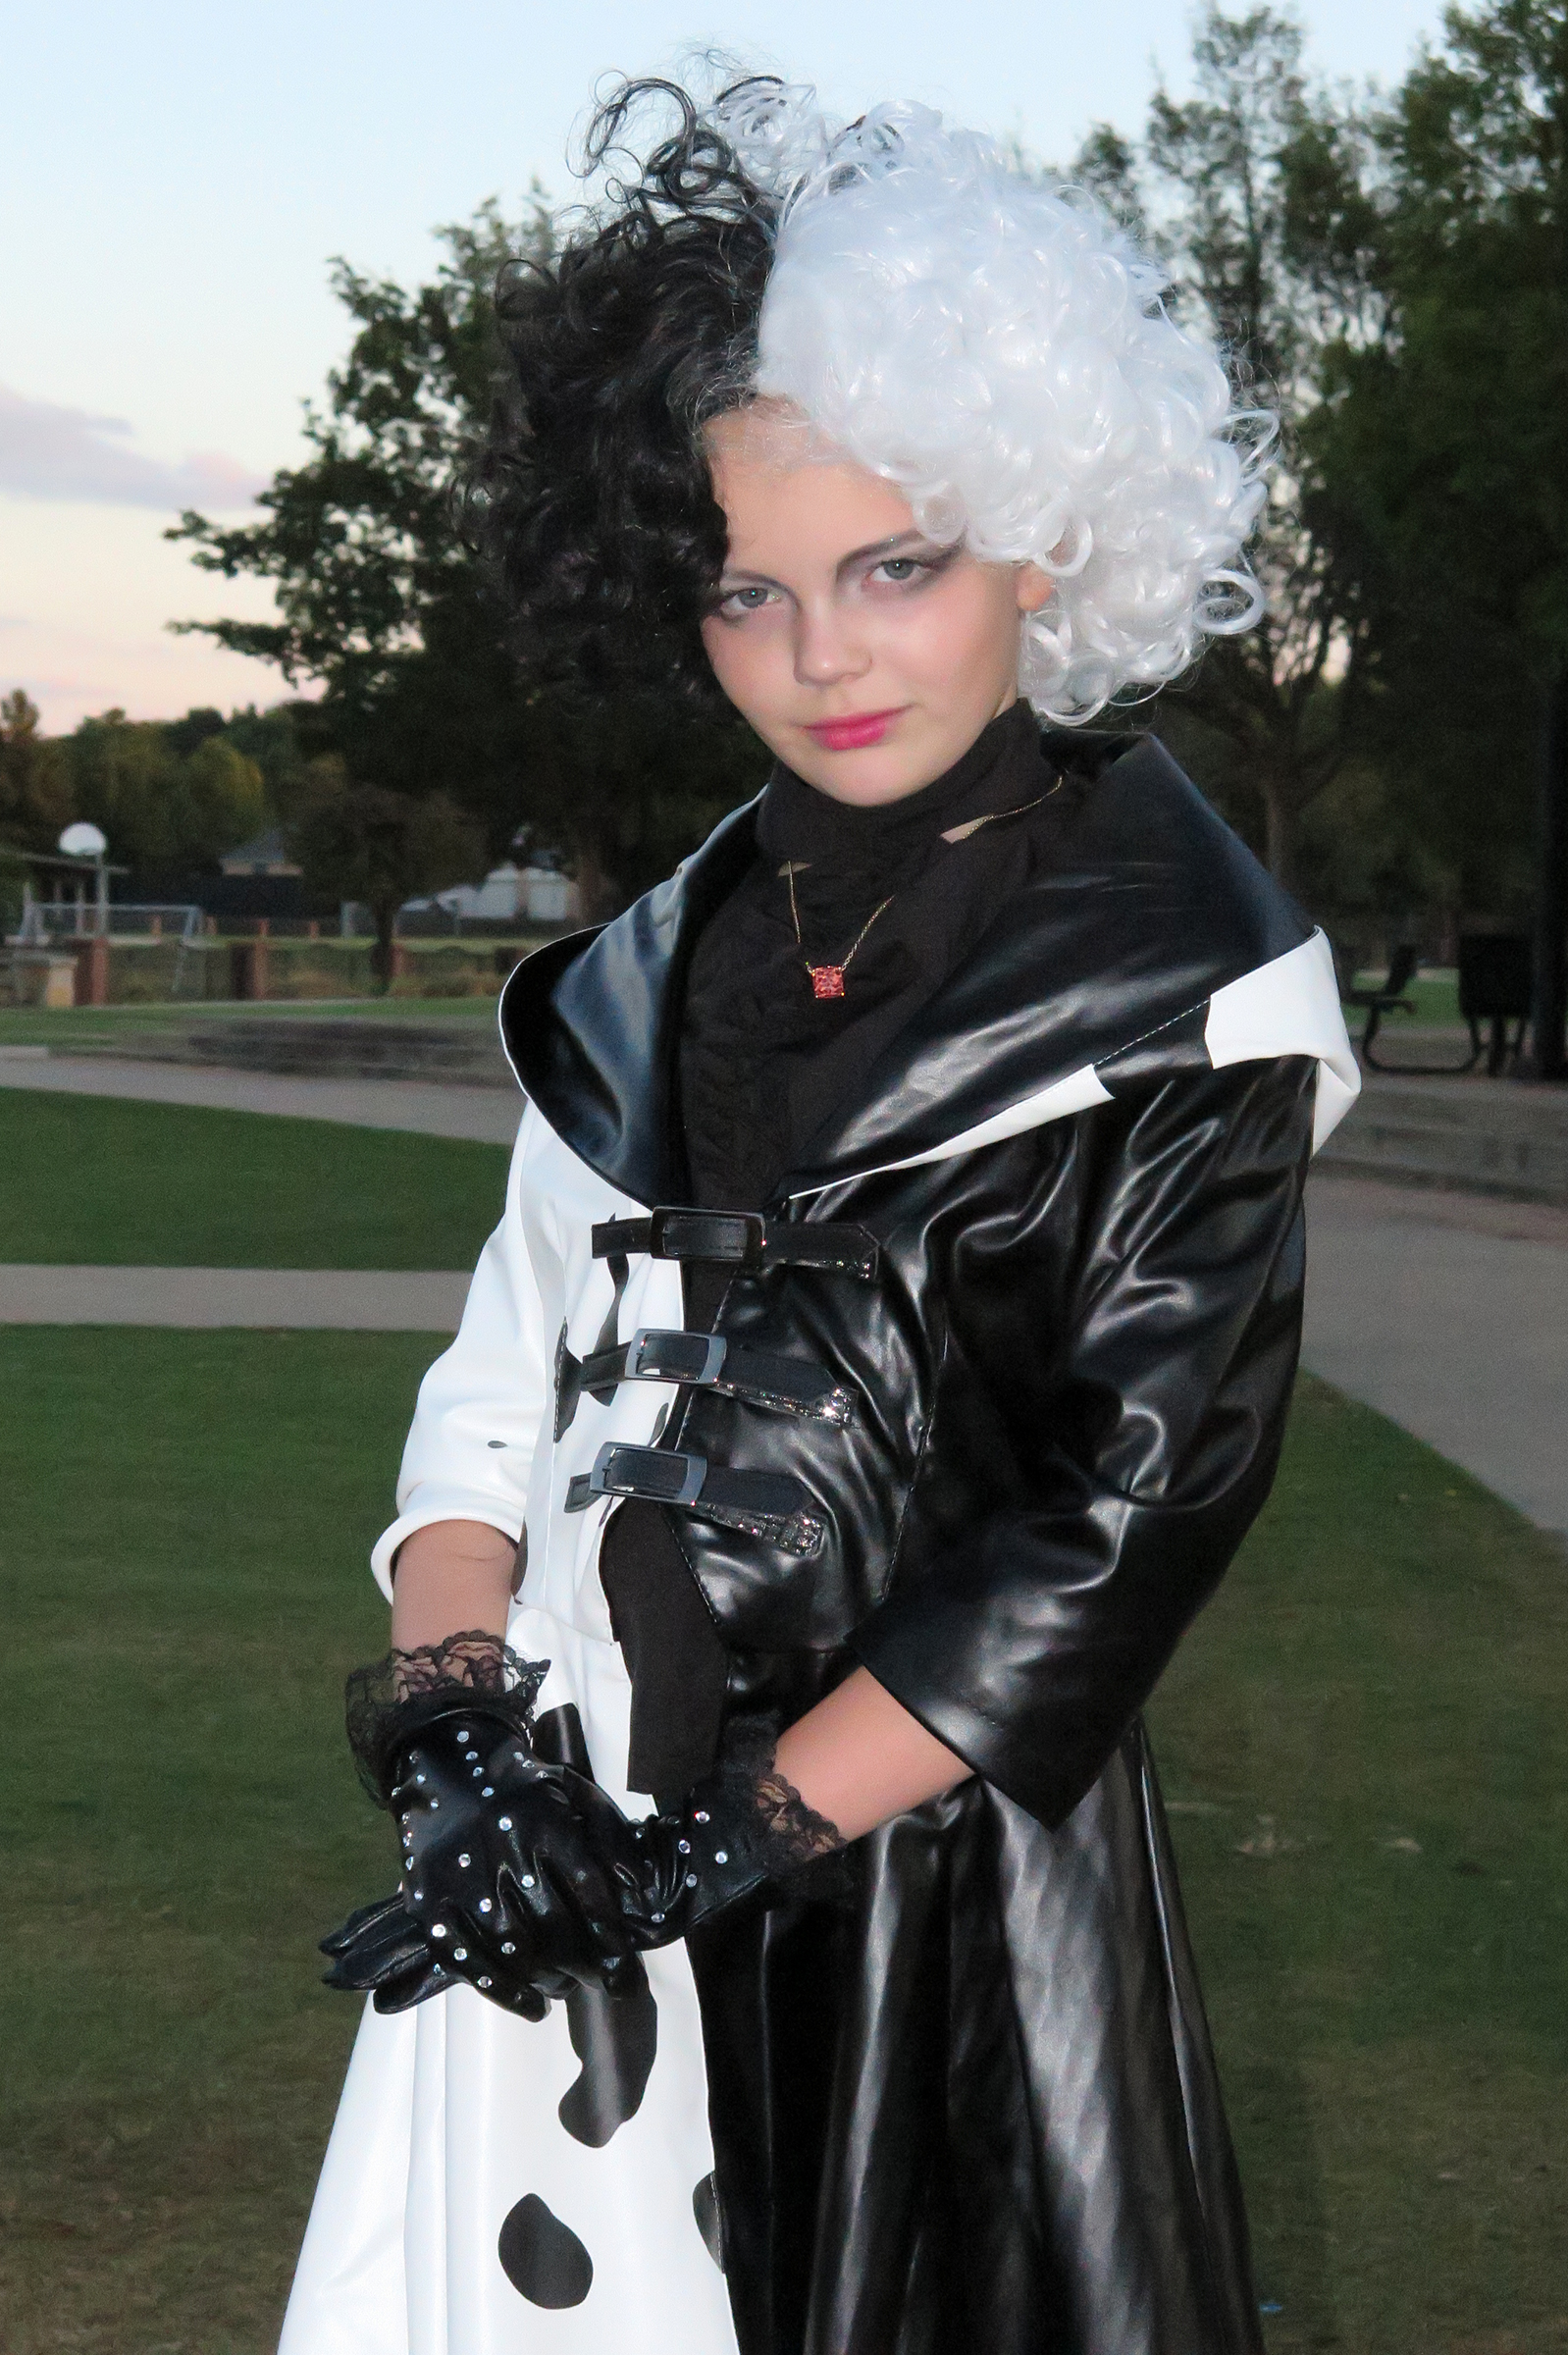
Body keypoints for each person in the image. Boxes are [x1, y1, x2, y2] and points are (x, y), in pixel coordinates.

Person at [279, 76, 1358, 2355]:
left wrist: (729, 1841)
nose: (822, 658)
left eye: (895, 566)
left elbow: (1115, 1521)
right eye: (745, 595)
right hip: (578, 1818)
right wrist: (464, 1727)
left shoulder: (1191, 989)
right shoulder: (659, 967)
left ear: (1045, 541)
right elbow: (506, 1371)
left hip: (937, 1886)